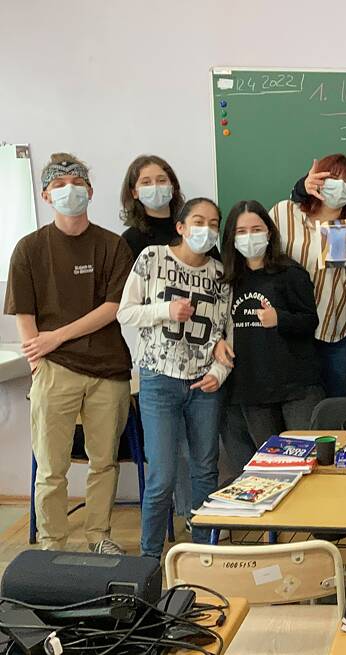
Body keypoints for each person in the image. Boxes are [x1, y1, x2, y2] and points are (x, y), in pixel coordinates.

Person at [5, 153, 133, 554]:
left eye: (76, 183)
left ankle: (99, 536)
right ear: (46, 195)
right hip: (54, 370)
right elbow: (23, 312)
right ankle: (52, 544)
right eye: (59, 186)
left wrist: (55, 337)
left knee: (103, 462)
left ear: (90, 191)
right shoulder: (28, 249)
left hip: (108, 370)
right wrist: (38, 359)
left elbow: (113, 308)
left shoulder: (113, 246)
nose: (69, 191)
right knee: (51, 468)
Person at [117, 197, 231, 559]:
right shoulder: (152, 258)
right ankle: (148, 559)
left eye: (214, 224)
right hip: (159, 380)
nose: (206, 230)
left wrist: (219, 372)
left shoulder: (220, 274)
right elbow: (126, 313)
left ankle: (203, 552)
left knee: (205, 470)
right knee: (162, 477)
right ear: (180, 227)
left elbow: (225, 335)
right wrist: (166, 310)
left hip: (203, 384)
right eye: (198, 221)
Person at [118, 153, 196, 529]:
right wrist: (165, 310)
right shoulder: (132, 242)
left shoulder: (193, 231)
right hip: (159, 360)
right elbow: (128, 307)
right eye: (146, 181)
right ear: (133, 191)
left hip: (199, 358)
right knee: (165, 459)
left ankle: (195, 523)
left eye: (161, 178)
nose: (155, 187)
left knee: (198, 455)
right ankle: (162, 540)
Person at [218, 200, 324, 447]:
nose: (249, 237)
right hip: (252, 389)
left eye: (256, 229)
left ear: (269, 232)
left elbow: (310, 321)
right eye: (241, 231)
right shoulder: (227, 278)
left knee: (308, 457)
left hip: (297, 387)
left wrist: (280, 319)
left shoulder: (290, 273)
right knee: (272, 463)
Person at [270, 154, 346, 397]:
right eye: (334, 177)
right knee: (298, 409)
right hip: (291, 331)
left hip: (337, 333)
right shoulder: (285, 213)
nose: (340, 186)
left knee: (335, 409)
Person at [119, 154, 186, 257]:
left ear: (172, 187)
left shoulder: (189, 230)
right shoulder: (130, 239)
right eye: (146, 182)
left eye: (162, 180)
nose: (155, 186)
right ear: (134, 193)